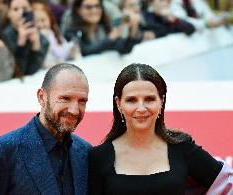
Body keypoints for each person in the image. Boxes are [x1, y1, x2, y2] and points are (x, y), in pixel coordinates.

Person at [88, 63, 232, 194]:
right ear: (119, 103)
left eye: (149, 99)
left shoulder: (182, 147)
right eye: (131, 100)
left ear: (161, 101)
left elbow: (227, 184)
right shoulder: (99, 157)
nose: (141, 108)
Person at [0, 63, 92, 194]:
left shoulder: (87, 153)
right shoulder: (2, 151)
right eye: (65, 98)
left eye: (82, 101)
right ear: (41, 97)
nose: (74, 110)